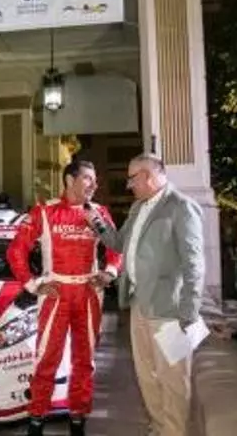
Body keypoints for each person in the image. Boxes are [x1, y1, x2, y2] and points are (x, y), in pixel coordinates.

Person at [88, 153, 205, 436]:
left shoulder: (181, 207)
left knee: (173, 379)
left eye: (132, 179)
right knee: (147, 375)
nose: (129, 185)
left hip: (170, 310)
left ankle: (175, 432)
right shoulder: (138, 208)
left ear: (148, 175)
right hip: (139, 303)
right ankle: (159, 427)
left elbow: (194, 264)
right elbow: (119, 243)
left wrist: (189, 312)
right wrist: (98, 223)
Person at [6, 159, 122, 436]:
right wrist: (33, 284)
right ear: (70, 180)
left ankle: (78, 420)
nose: (94, 184)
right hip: (56, 294)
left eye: (95, 180)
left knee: (84, 361)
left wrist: (109, 273)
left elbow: (116, 249)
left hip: (89, 294)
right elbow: (16, 251)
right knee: (47, 359)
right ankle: (36, 420)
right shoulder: (44, 211)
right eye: (88, 178)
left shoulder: (99, 212)